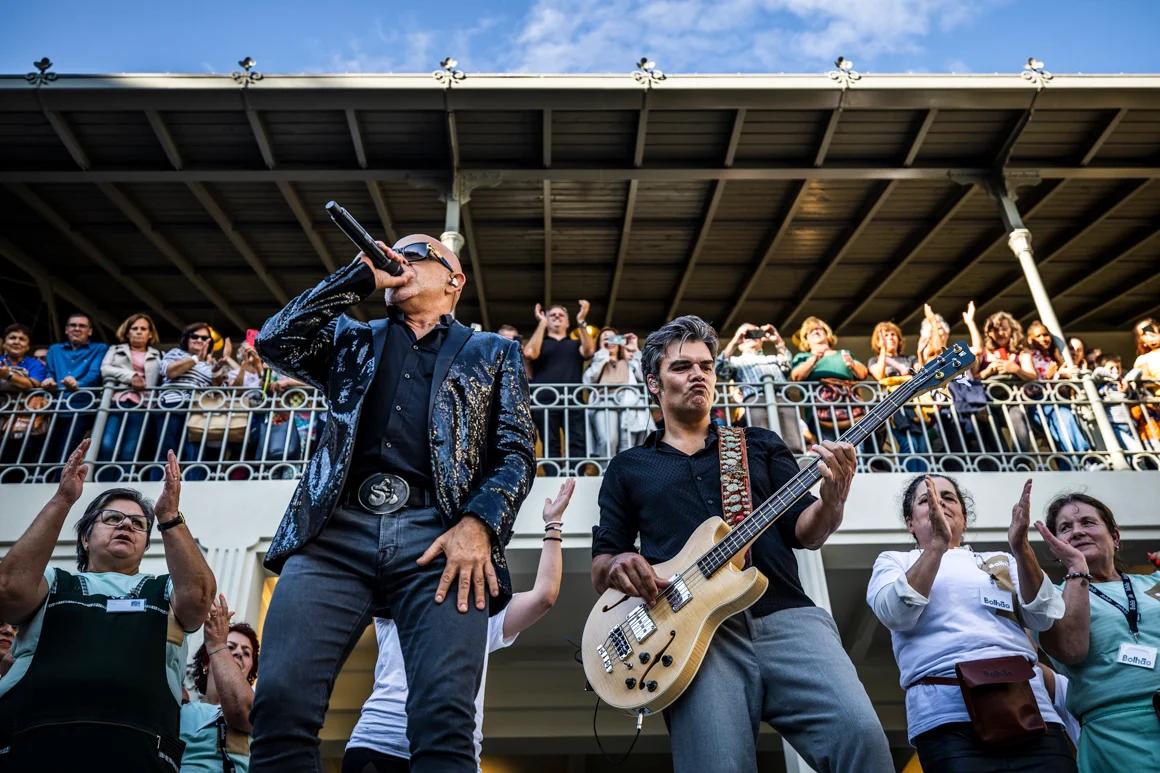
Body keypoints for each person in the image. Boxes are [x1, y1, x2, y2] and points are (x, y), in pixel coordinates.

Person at [250, 234, 536, 773]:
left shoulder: (492, 351)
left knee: (445, 722)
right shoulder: (351, 338)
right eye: (393, 252)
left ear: (455, 280)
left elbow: (517, 452)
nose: (400, 260)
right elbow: (275, 341)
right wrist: (355, 279)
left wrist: (480, 523)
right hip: (333, 533)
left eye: (418, 253)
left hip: (441, 536)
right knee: (280, 702)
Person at [591, 315, 892, 773]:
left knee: (863, 741)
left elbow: (804, 531)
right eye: (682, 367)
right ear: (653, 383)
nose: (698, 374)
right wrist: (623, 563)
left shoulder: (758, 444)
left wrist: (834, 499)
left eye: (707, 366)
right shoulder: (629, 467)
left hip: (788, 616)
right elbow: (604, 565)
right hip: (697, 639)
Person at [0, 440, 215, 772]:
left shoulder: (163, 589)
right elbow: (8, 591)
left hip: (139, 758)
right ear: (85, 538)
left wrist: (170, 518)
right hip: (30, 752)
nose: (126, 525)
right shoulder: (53, 581)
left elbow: (199, 599)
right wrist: (63, 499)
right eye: (112, 518)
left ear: (145, 545)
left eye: (138, 524)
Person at [344, 479, 574, 773]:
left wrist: (553, 525)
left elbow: (544, 597)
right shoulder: (398, 595)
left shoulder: (482, 616)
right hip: (382, 742)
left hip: (455, 751)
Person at [866, 476, 1074, 771]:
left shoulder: (997, 561)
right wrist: (937, 546)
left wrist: (1021, 547)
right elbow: (896, 613)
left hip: (1030, 709)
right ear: (910, 523)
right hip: (947, 719)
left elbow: (1042, 615)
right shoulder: (896, 561)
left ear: (964, 516)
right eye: (927, 500)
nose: (939, 504)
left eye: (948, 498)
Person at [1036, 492, 1160, 772]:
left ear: (1115, 537)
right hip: (1116, 735)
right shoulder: (1051, 599)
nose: (1077, 531)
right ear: (1056, 547)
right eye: (1065, 528)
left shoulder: (1154, 582)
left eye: (1088, 522)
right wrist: (1077, 570)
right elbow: (1071, 650)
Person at [181, 595, 260, 773]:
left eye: (247, 653)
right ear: (206, 663)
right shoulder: (181, 709)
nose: (239, 653)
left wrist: (218, 644)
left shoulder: (260, 714)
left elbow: (242, 709)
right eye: (230, 647)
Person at [522, 302, 596, 471]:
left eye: (561, 315)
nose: (556, 317)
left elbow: (589, 351)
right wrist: (542, 322)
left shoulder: (575, 344)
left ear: (567, 322)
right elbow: (530, 353)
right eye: (552, 315)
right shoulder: (541, 343)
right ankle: (552, 476)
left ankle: (577, 477)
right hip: (544, 400)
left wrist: (581, 320)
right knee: (549, 442)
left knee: (577, 440)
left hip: (572, 399)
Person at [1020, 321, 1091, 465]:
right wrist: (1052, 376)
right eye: (1038, 336)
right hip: (1041, 405)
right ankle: (1085, 459)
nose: (1043, 339)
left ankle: (1073, 465)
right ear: (1030, 339)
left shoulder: (1053, 356)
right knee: (1064, 419)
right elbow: (1030, 387)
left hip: (1058, 402)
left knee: (1062, 434)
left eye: (1045, 335)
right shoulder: (1028, 355)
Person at [41, 312, 109, 462]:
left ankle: (60, 482)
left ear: (89, 331)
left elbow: (95, 374)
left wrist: (79, 384)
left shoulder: (100, 348)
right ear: (66, 330)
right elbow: (50, 372)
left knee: (66, 452)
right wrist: (48, 380)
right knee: (44, 452)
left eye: (82, 326)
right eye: (73, 325)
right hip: (54, 409)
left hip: (82, 408)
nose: (77, 328)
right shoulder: (55, 350)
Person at [100, 313, 163, 465]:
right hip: (116, 403)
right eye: (134, 328)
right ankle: (104, 483)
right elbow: (105, 369)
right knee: (107, 446)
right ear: (127, 332)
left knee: (130, 450)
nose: (139, 331)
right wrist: (132, 376)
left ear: (150, 334)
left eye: (143, 328)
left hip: (142, 405)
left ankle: (123, 487)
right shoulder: (115, 349)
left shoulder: (159, 355)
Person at [868, 321, 929, 470]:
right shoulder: (875, 360)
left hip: (914, 406)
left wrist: (920, 353)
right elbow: (879, 375)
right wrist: (883, 350)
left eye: (893, 334)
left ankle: (924, 478)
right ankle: (912, 480)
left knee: (922, 446)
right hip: (894, 409)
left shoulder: (909, 358)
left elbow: (921, 374)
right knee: (909, 444)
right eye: (885, 335)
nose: (890, 337)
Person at [583, 328, 649, 459]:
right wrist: (602, 354)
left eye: (613, 338)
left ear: (620, 342)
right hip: (604, 403)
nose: (610, 341)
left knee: (628, 444)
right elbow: (587, 381)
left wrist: (635, 349)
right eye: (605, 339)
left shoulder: (629, 362)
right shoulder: (598, 361)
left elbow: (645, 377)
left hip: (629, 403)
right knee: (608, 441)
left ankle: (628, 476)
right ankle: (607, 474)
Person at [975, 311, 1035, 455]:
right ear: (989, 333)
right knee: (988, 421)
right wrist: (988, 371)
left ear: (1011, 330)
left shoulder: (1022, 352)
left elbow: (1032, 375)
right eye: (996, 329)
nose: (1001, 333)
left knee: (1017, 417)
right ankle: (1004, 461)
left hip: (1013, 401)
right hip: (988, 403)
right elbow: (973, 378)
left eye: (1004, 329)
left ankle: (1021, 460)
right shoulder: (983, 353)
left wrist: (1015, 369)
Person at [0, 323, 47, 391]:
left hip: (25, 401)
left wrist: (8, 375)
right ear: (4, 344)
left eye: (22, 339)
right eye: (12, 338)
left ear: (28, 347)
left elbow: (33, 385)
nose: (16, 342)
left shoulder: (36, 364)